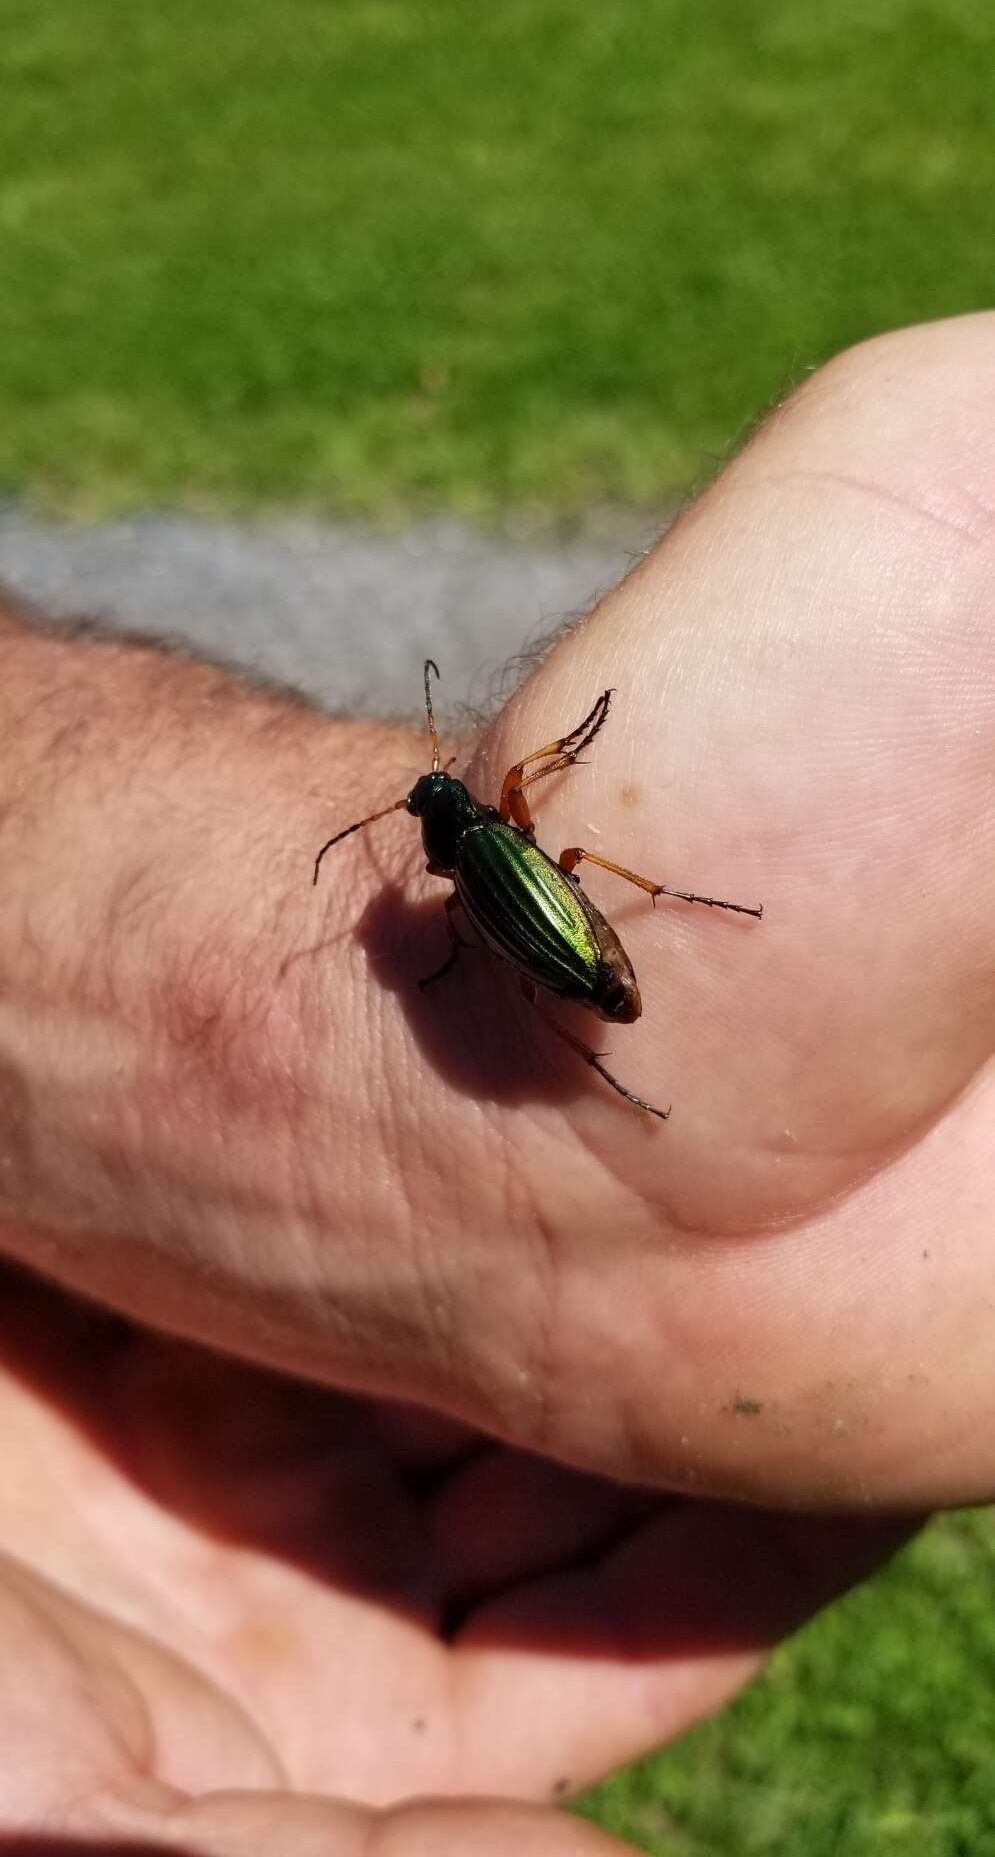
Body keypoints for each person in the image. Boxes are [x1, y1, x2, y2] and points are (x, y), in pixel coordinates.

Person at [0, 313, 991, 1852]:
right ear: (468, 810)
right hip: (574, 928)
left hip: (554, 956)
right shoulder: (503, 845)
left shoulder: (464, 881)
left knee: (548, 932)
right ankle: (652, 1000)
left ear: (442, 824)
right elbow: (523, 854)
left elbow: (482, 934)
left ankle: (629, 1056)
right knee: (573, 891)